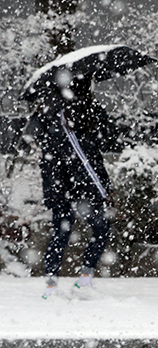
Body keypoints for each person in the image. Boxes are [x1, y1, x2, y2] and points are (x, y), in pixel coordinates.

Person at [27, 77, 114, 299]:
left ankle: (54, 285)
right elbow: (81, 157)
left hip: (62, 185)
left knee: (62, 232)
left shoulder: (53, 114)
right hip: (76, 185)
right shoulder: (65, 116)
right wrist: (100, 188)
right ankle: (76, 282)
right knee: (96, 228)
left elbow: (94, 148)